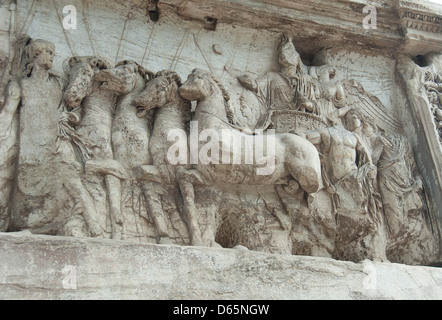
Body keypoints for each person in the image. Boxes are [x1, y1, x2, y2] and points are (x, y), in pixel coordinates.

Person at [10, 39, 102, 237]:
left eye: (52, 53)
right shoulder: (22, 85)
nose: (51, 56)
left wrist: (67, 116)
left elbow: (76, 112)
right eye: (47, 52)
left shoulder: (58, 84)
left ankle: (94, 222)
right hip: (31, 149)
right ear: (35, 55)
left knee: (73, 181)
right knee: (31, 208)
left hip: (57, 144)